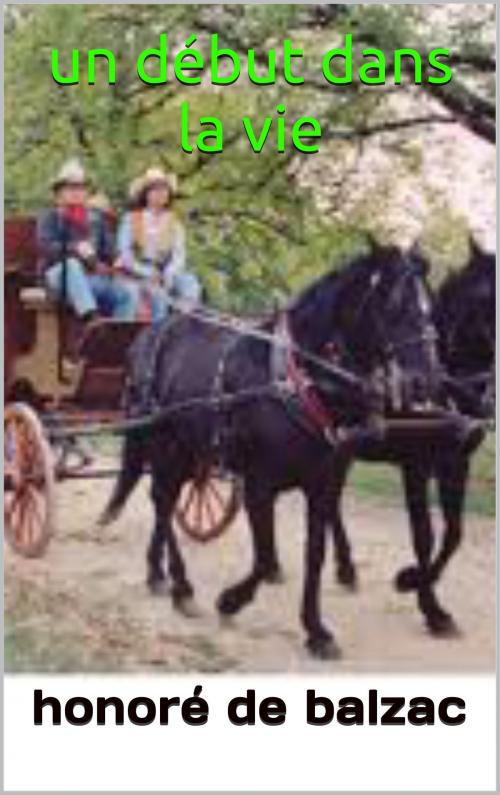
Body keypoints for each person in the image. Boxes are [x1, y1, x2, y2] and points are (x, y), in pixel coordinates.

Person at [37, 159, 137, 320]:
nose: (76, 192)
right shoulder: (50, 216)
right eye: (70, 188)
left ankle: (119, 336)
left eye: (81, 188)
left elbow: (108, 250)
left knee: (127, 292)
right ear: (60, 192)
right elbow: (46, 247)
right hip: (58, 278)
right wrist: (75, 248)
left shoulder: (97, 218)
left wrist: (117, 260)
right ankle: (91, 318)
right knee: (71, 265)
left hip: (90, 278)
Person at [116, 167, 201, 322]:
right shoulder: (130, 219)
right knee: (158, 296)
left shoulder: (175, 223)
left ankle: (184, 321)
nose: (160, 193)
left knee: (190, 283)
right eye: (155, 189)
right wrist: (147, 272)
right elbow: (125, 255)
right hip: (136, 273)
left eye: (164, 189)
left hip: (165, 272)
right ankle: (156, 333)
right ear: (146, 194)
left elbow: (179, 255)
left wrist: (169, 273)